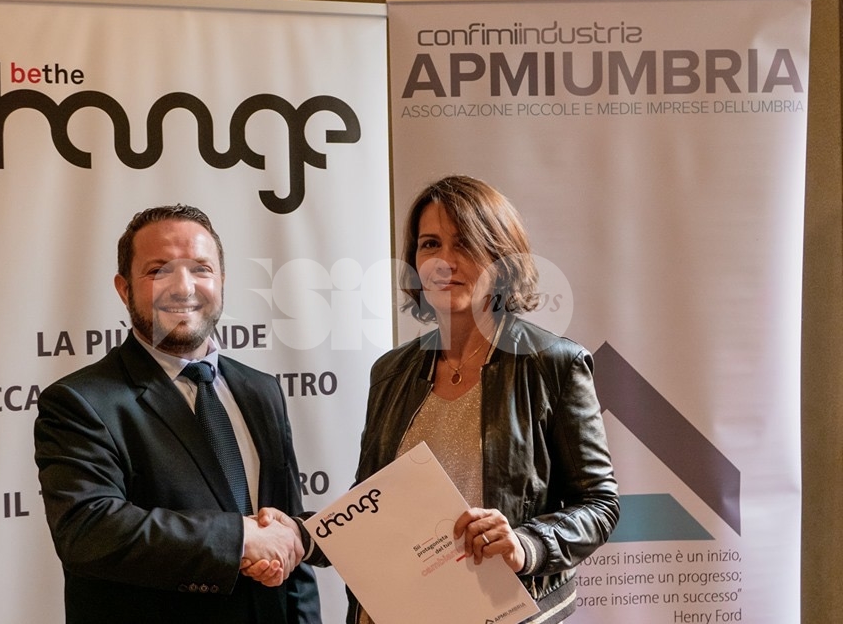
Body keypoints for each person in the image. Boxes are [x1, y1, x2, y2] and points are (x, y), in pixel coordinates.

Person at [250, 175, 619, 624]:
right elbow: (373, 509)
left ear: (501, 257)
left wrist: (527, 545)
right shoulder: (392, 372)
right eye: (429, 245)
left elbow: (600, 504)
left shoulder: (553, 364)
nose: (445, 261)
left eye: (464, 243)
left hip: (503, 612)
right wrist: (301, 536)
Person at [34, 204, 321, 624]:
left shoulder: (261, 390)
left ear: (221, 281)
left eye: (201, 269)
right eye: (158, 270)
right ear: (123, 289)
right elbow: (88, 531)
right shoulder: (79, 401)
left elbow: (286, 538)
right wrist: (239, 539)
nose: (183, 287)